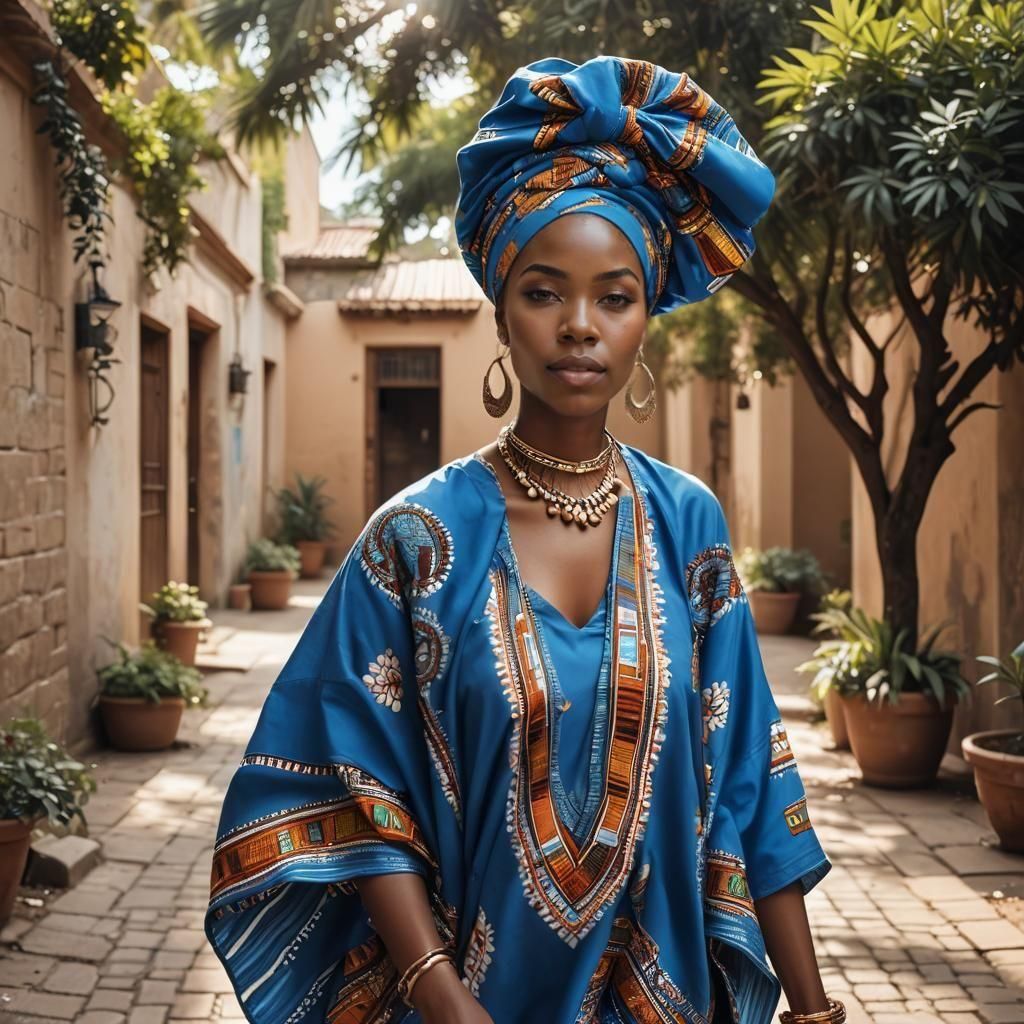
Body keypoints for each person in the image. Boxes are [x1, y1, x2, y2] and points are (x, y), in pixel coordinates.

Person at [203, 55, 844, 1024]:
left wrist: (812, 1006)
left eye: (614, 297)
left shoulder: (687, 524)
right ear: (501, 306)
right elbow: (347, 786)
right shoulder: (414, 542)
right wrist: (441, 994)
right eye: (545, 292)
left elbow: (748, 776)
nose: (579, 326)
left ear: (644, 321)